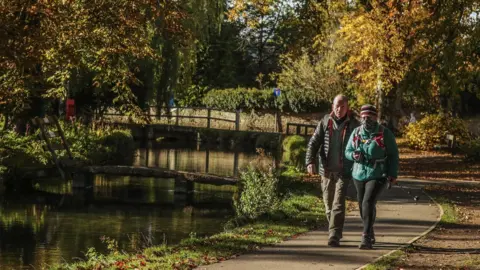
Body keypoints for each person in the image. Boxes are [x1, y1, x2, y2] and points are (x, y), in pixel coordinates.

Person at [305, 94, 360, 247]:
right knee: (328, 206)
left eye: (342, 106)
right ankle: (335, 229)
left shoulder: (354, 125)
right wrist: (309, 161)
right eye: (337, 106)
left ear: (347, 107)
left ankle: (334, 235)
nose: (339, 109)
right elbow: (313, 143)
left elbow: (360, 145)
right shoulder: (325, 122)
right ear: (332, 106)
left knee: (338, 204)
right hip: (326, 170)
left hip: (344, 171)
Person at [344, 104, 399, 249]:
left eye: (369, 117)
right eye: (363, 117)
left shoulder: (384, 133)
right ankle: (370, 228)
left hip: (378, 173)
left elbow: (393, 154)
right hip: (359, 173)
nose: (365, 119)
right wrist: (353, 155)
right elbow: (347, 151)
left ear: (375, 117)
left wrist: (393, 174)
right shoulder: (356, 132)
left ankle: (365, 236)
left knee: (367, 202)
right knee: (363, 205)